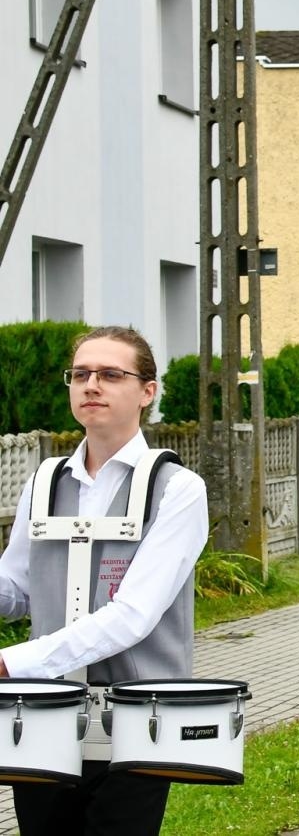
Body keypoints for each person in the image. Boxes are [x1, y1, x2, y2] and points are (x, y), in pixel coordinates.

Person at [0, 326, 208, 835]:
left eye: (111, 374)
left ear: (147, 392)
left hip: (136, 720)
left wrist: (12, 662)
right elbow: (17, 587)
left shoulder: (178, 489)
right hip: (43, 718)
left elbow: (133, 616)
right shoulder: (43, 481)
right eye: (81, 374)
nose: (92, 385)